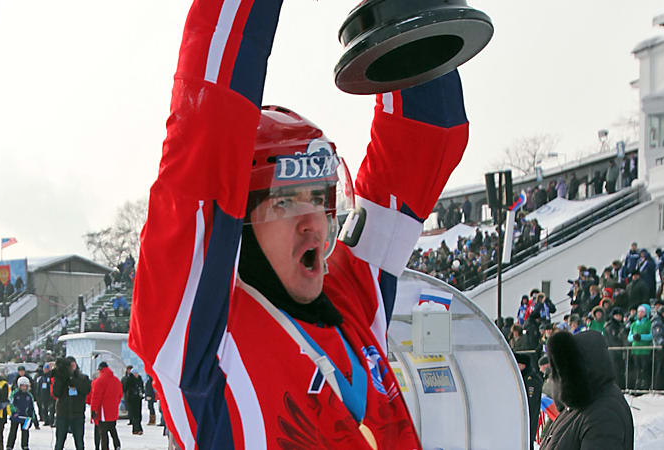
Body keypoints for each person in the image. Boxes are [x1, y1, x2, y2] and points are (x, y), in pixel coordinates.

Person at [128, 0, 470, 447]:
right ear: (237, 225)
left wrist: (406, 13)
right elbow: (207, 128)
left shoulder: (353, 300)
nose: (314, 223)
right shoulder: (198, 342)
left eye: (319, 198)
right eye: (284, 202)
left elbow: (425, 138)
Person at [540, 330, 633, 449]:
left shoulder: (603, 414)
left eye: (566, 369)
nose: (561, 378)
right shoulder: (580, 404)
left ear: (583, 368)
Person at [52, 356, 92, 450]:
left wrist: (73, 379)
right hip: (63, 414)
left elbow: (86, 390)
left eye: (74, 364)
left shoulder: (83, 377)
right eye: (70, 365)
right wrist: (61, 377)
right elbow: (56, 393)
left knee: (79, 442)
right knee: (59, 442)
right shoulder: (61, 378)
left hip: (77, 414)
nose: (72, 367)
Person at [90, 362, 122, 450]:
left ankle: (105, 448)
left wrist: (93, 410)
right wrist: (115, 404)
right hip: (113, 411)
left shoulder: (99, 381)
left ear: (100, 370)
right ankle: (117, 445)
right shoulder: (116, 380)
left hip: (103, 411)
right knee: (112, 429)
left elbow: (96, 397)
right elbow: (120, 395)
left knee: (103, 433)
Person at [515, 353, 542, 450]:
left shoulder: (531, 381)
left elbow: (531, 405)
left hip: (528, 421)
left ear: (523, 365)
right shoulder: (521, 378)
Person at [7, 376, 39, 450]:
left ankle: (25, 445)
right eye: (22, 386)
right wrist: (14, 412)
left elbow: (32, 407)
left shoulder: (29, 396)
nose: (24, 388)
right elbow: (11, 404)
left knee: (25, 432)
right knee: (13, 431)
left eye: (25, 386)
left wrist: (32, 418)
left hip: (26, 417)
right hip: (16, 416)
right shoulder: (15, 394)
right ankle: (9, 445)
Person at [627, 304, 653, 390]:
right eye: (639, 312)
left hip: (645, 350)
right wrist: (633, 337)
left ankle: (645, 385)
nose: (640, 313)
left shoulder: (649, 323)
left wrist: (641, 337)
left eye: (642, 312)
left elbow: (651, 336)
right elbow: (629, 337)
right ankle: (637, 385)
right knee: (637, 369)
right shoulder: (633, 324)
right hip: (635, 350)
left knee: (645, 369)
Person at [603, 307, 627, 388]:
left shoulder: (622, 325)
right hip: (613, 351)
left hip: (621, 351)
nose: (618, 317)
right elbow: (611, 340)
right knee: (615, 370)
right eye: (616, 315)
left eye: (620, 315)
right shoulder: (610, 326)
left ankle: (621, 386)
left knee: (621, 370)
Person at [35, 362, 54, 426]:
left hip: (50, 396)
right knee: (44, 409)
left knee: (51, 409)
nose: (45, 370)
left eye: (46, 369)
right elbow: (39, 387)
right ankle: (46, 420)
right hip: (43, 396)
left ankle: (51, 421)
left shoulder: (51, 376)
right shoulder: (42, 377)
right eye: (44, 369)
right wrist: (38, 395)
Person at [125, 369, 144, 435]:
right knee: (135, 415)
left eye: (137, 373)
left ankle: (136, 429)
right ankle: (137, 429)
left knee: (138, 415)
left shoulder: (140, 379)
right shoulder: (129, 379)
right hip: (132, 399)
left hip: (138, 399)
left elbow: (142, 387)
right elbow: (126, 388)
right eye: (135, 373)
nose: (136, 375)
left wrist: (141, 392)